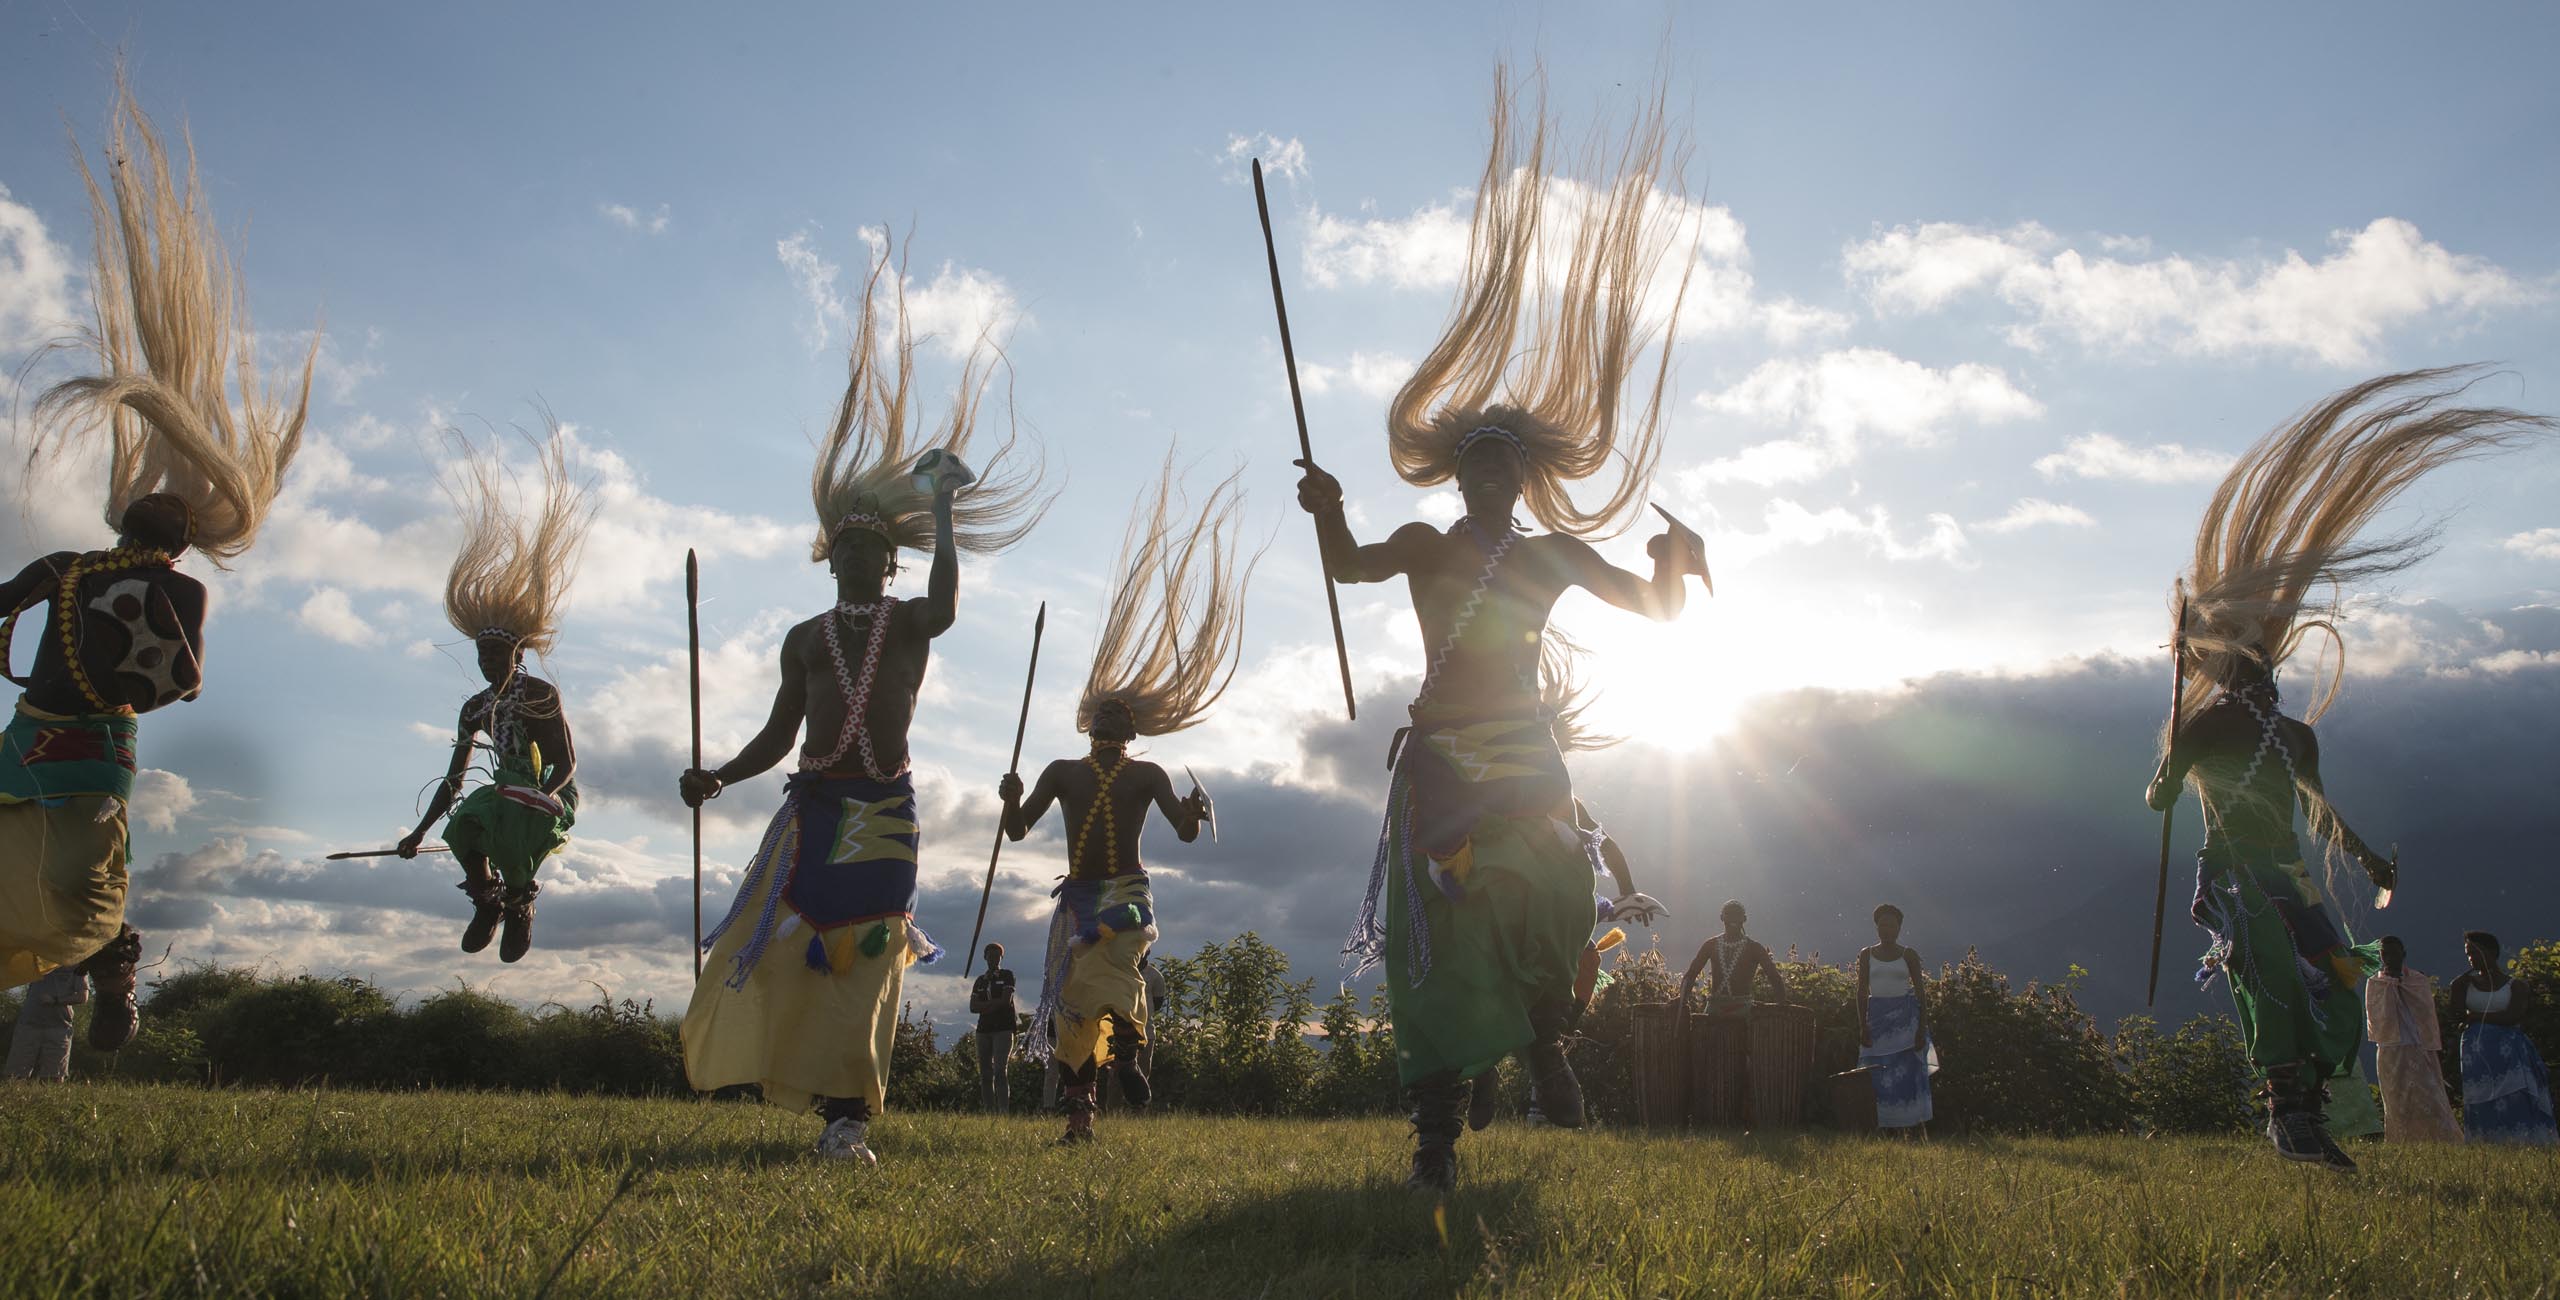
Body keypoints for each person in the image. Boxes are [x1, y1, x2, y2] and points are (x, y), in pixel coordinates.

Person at [1309, 66, 1709, 1193]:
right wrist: (1330, 507)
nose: (1490, 476)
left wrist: (1674, 562)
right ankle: (1438, 1131)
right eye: (1474, 460)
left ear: (1527, 478)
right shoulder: (1428, 548)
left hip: (1528, 753)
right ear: (1458, 471)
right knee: (1444, 933)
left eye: (1506, 463)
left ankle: (1540, 1041)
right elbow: (1346, 567)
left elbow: (1655, 613)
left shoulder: (1550, 559)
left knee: (1554, 897)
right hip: (1443, 755)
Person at [679, 240, 1050, 1165]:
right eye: (839, 547)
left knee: (869, 954)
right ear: (826, 556)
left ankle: (850, 1114)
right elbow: (776, 731)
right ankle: (807, 1093)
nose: (851, 557)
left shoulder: (912, 622)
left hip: (884, 808)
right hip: (813, 803)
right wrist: (719, 775)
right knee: (787, 952)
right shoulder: (803, 637)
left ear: (889, 561)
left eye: (867, 549)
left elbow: (952, 602)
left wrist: (947, 512)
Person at [2148, 369, 2551, 1171]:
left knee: (2331, 987)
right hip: (2231, 873)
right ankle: (2290, 1117)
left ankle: (2297, 1116)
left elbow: (2313, 809)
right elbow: (2166, 795)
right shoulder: (2216, 726)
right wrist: (2170, 774)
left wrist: (2363, 856)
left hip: (2286, 875)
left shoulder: (2281, 735)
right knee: (2275, 983)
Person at [3, 81, 307, 1055]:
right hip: (62, 742)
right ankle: (98, 968)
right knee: (38, 881)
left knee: (73, 897)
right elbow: (183, 682)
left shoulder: (82, 567)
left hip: (74, 744)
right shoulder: (138, 579)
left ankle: (102, 972)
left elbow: (177, 676)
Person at [1003, 453, 1231, 1144]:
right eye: (1099, 715)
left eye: (1117, 718)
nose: (1106, 722)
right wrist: (1010, 799)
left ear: (1132, 731)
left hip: (1128, 893)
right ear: (1087, 723)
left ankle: (1128, 1053)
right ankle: (1081, 1114)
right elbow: (1017, 832)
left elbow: (1184, 838)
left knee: (1116, 977)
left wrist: (1191, 813)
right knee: (1074, 1007)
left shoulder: (1148, 774)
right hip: (1077, 896)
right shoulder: (1061, 771)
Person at [396, 427, 591, 961]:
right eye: (481, 658)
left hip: (548, 794)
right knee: (465, 828)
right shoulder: (475, 709)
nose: (488, 666)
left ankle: (521, 903)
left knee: (508, 818)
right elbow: (455, 780)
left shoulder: (540, 694)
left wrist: (547, 794)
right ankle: (488, 900)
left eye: (496, 657)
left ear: (516, 656)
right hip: (504, 792)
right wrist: (418, 831)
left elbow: (567, 762)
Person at [2448, 931, 2556, 1146]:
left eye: (2474, 953)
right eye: (2468, 954)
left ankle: (2522, 1141)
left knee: (2513, 1095)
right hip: (2476, 1053)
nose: (2471, 959)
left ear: (2491, 953)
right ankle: (2486, 1143)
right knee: (2481, 1098)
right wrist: (2457, 986)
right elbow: (2456, 1014)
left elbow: (2512, 1016)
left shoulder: (2515, 986)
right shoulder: (2464, 985)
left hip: (2509, 1052)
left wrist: (2476, 1016)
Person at [2363, 935, 2461, 1144]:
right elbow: (2376, 1018)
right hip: (2391, 1049)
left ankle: (2443, 1139)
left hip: (2419, 1046)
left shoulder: (2418, 980)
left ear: (2403, 954)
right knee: (2398, 1100)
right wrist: (2390, 986)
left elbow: (2425, 1012)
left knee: (2431, 1096)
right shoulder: (2375, 983)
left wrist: (2399, 986)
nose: (2389, 957)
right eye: (2384, 953)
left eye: (2393, 952)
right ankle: (2404, 1142)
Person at [1857, 905, 1933, 1134]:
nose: (1886, 930)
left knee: (1906, 1071)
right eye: (1882, 925)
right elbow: (1861, 991)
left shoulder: (1908, 954)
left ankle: (1910, 1128)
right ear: (1876, 927)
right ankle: (1881, 1126)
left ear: (1899, 928)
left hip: (1905, 1020)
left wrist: (1921, 1028)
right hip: (1877, 1019)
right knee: (1877, 1071)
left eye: (1891, 925)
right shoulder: (1866, 954)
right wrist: (1862, 1026)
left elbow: (1920, 993)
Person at [1680, 902, 1788, 1011]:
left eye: (1737, 914)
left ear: (1744, 919)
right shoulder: (1710, 945)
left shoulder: (1754, 948)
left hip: (1743, 1009)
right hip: (1714, 1010)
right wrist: (1681, 1001)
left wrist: (1782, 1002)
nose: (1733, 918)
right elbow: (1691, 974)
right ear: (1722, 917)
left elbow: (1774, 976)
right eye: (1729, 914)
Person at [5, 967, 88, 1081]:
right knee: (14, 1075)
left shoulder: (76, 966)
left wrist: (55, 1000)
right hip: (29, 1024)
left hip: (59, 1028)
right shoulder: (37, 959)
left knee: (54, 1077)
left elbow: (83, 996)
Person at [969, 942, 1018, 1113]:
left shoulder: (1007, 975)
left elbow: (1006, 1000)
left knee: (1000, 1070)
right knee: (985, 1073)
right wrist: (992, 1005)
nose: (993, 959)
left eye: (996, 956)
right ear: (985, 958)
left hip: (1003, 1028)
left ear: (1001, 957)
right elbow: (972, 1006)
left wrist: (985, 1005)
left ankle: (1003, 1109)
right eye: (990, 956)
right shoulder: (980, 980)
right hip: (984, 1030)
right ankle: (988, 1110)